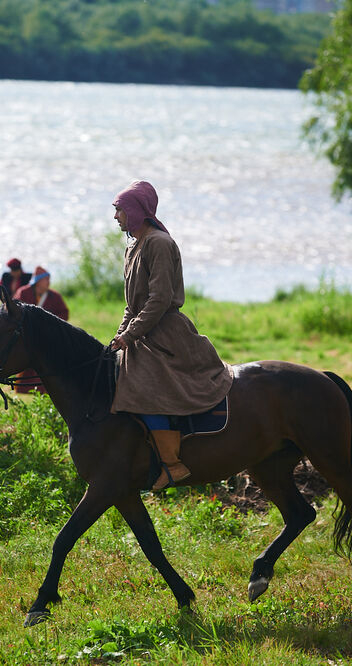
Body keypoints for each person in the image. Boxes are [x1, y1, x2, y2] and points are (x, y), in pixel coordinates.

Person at [109, 181, 233, 490]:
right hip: (144, 331)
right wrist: (121, 335)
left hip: (166, 334)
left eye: (119, 210)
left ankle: (172, 465)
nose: (116, 217)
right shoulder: (132, 247)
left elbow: (160, 299)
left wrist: (133, 333)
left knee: (145, 386)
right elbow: (132, 303)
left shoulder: (159, 244)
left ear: (136, 211)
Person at [12, 265, 69, 394]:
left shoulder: (55, 296)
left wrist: (50, 326)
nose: (49, 282)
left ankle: (46, 387)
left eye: (49, 279)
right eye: (46, 280)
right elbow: (16, 312)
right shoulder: (23, 293)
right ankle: (23, 388)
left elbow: (64, 313)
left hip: (48, 337)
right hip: (27, 336)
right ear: (38, 281)